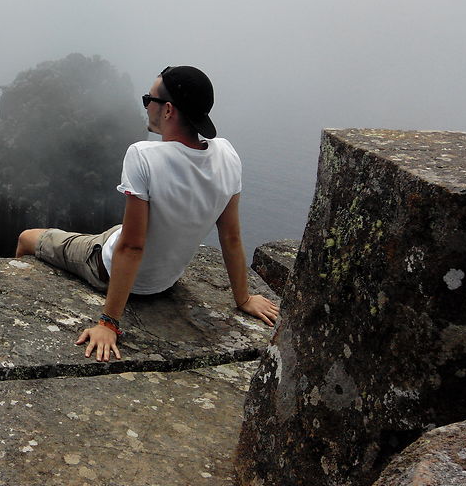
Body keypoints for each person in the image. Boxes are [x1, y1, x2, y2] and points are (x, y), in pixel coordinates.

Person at [15, 65, 279, 362]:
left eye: (148, 100)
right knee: (118, 229)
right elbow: (230, 235)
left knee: (28, 237)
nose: (145, 106)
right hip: (166, 279)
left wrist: (108, 323)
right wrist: (243, 298)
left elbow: (132, 246)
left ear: (167, 110)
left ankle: (14, 283)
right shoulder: (228, 154)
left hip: (107, 267)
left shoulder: (142, 156)